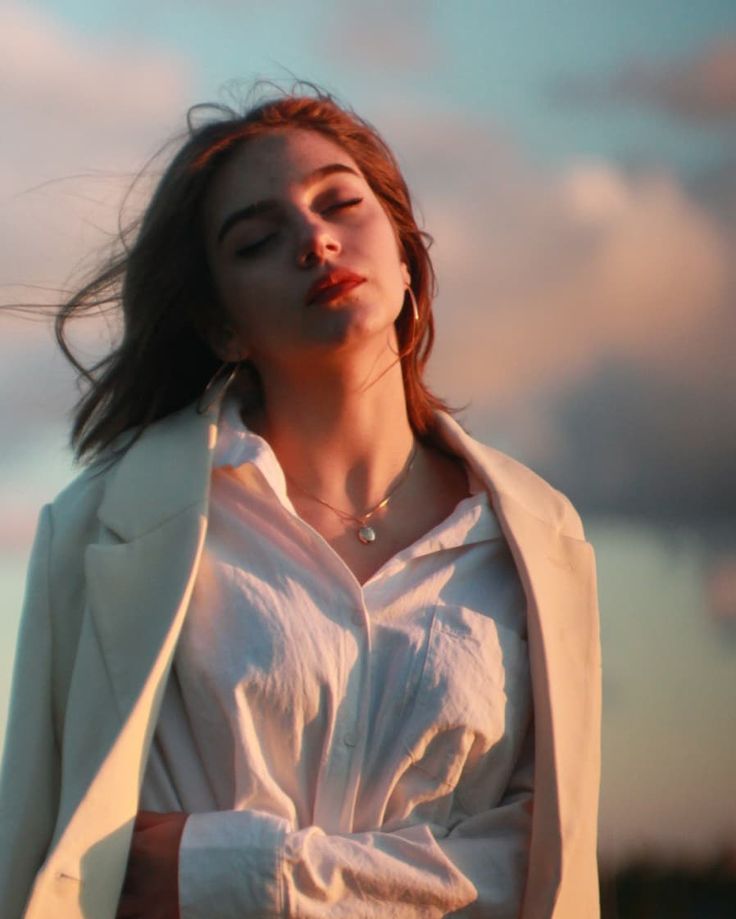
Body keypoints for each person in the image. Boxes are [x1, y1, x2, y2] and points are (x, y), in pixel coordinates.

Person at [0, 84, 601, 918]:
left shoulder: (538, 538)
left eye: (341, 204)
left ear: (404, 251)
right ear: (221, 326)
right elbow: (52, 856)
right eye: (256, 240)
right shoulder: (108, 526)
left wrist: (238, 872)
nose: (315, 240)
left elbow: (542, 870)